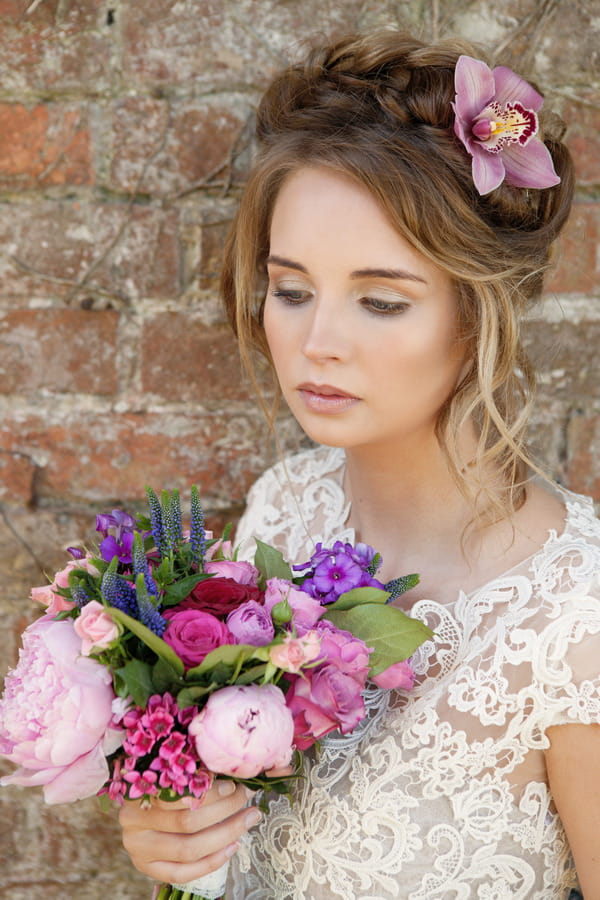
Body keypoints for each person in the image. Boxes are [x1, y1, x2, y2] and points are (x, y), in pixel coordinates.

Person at [119, 31, 600, 899]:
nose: (317, 343)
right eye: (293, 291)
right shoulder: (283, 511)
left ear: (480, 311)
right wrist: (179, 836)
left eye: (380, 301)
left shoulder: (580, 620)